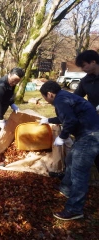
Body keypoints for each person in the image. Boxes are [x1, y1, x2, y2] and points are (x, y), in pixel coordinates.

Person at [39, 81, 99, 221]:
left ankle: (75, 209)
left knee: (79, 172)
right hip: (88, 132)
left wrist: (62, 137)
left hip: (90, 136)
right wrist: (48, 120)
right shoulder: (64, 96)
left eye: (45, 98)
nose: (46, 101)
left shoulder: (60, 100)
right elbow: (66, 117)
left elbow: (70, 122)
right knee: (70, 159)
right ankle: (65, 188)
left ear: (50, 94)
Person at [74, 49, 99, 172]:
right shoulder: (85, 81)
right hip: (94, 119)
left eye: (84, 65)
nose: (83, 69)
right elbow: (76, 97)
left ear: (93, 62)